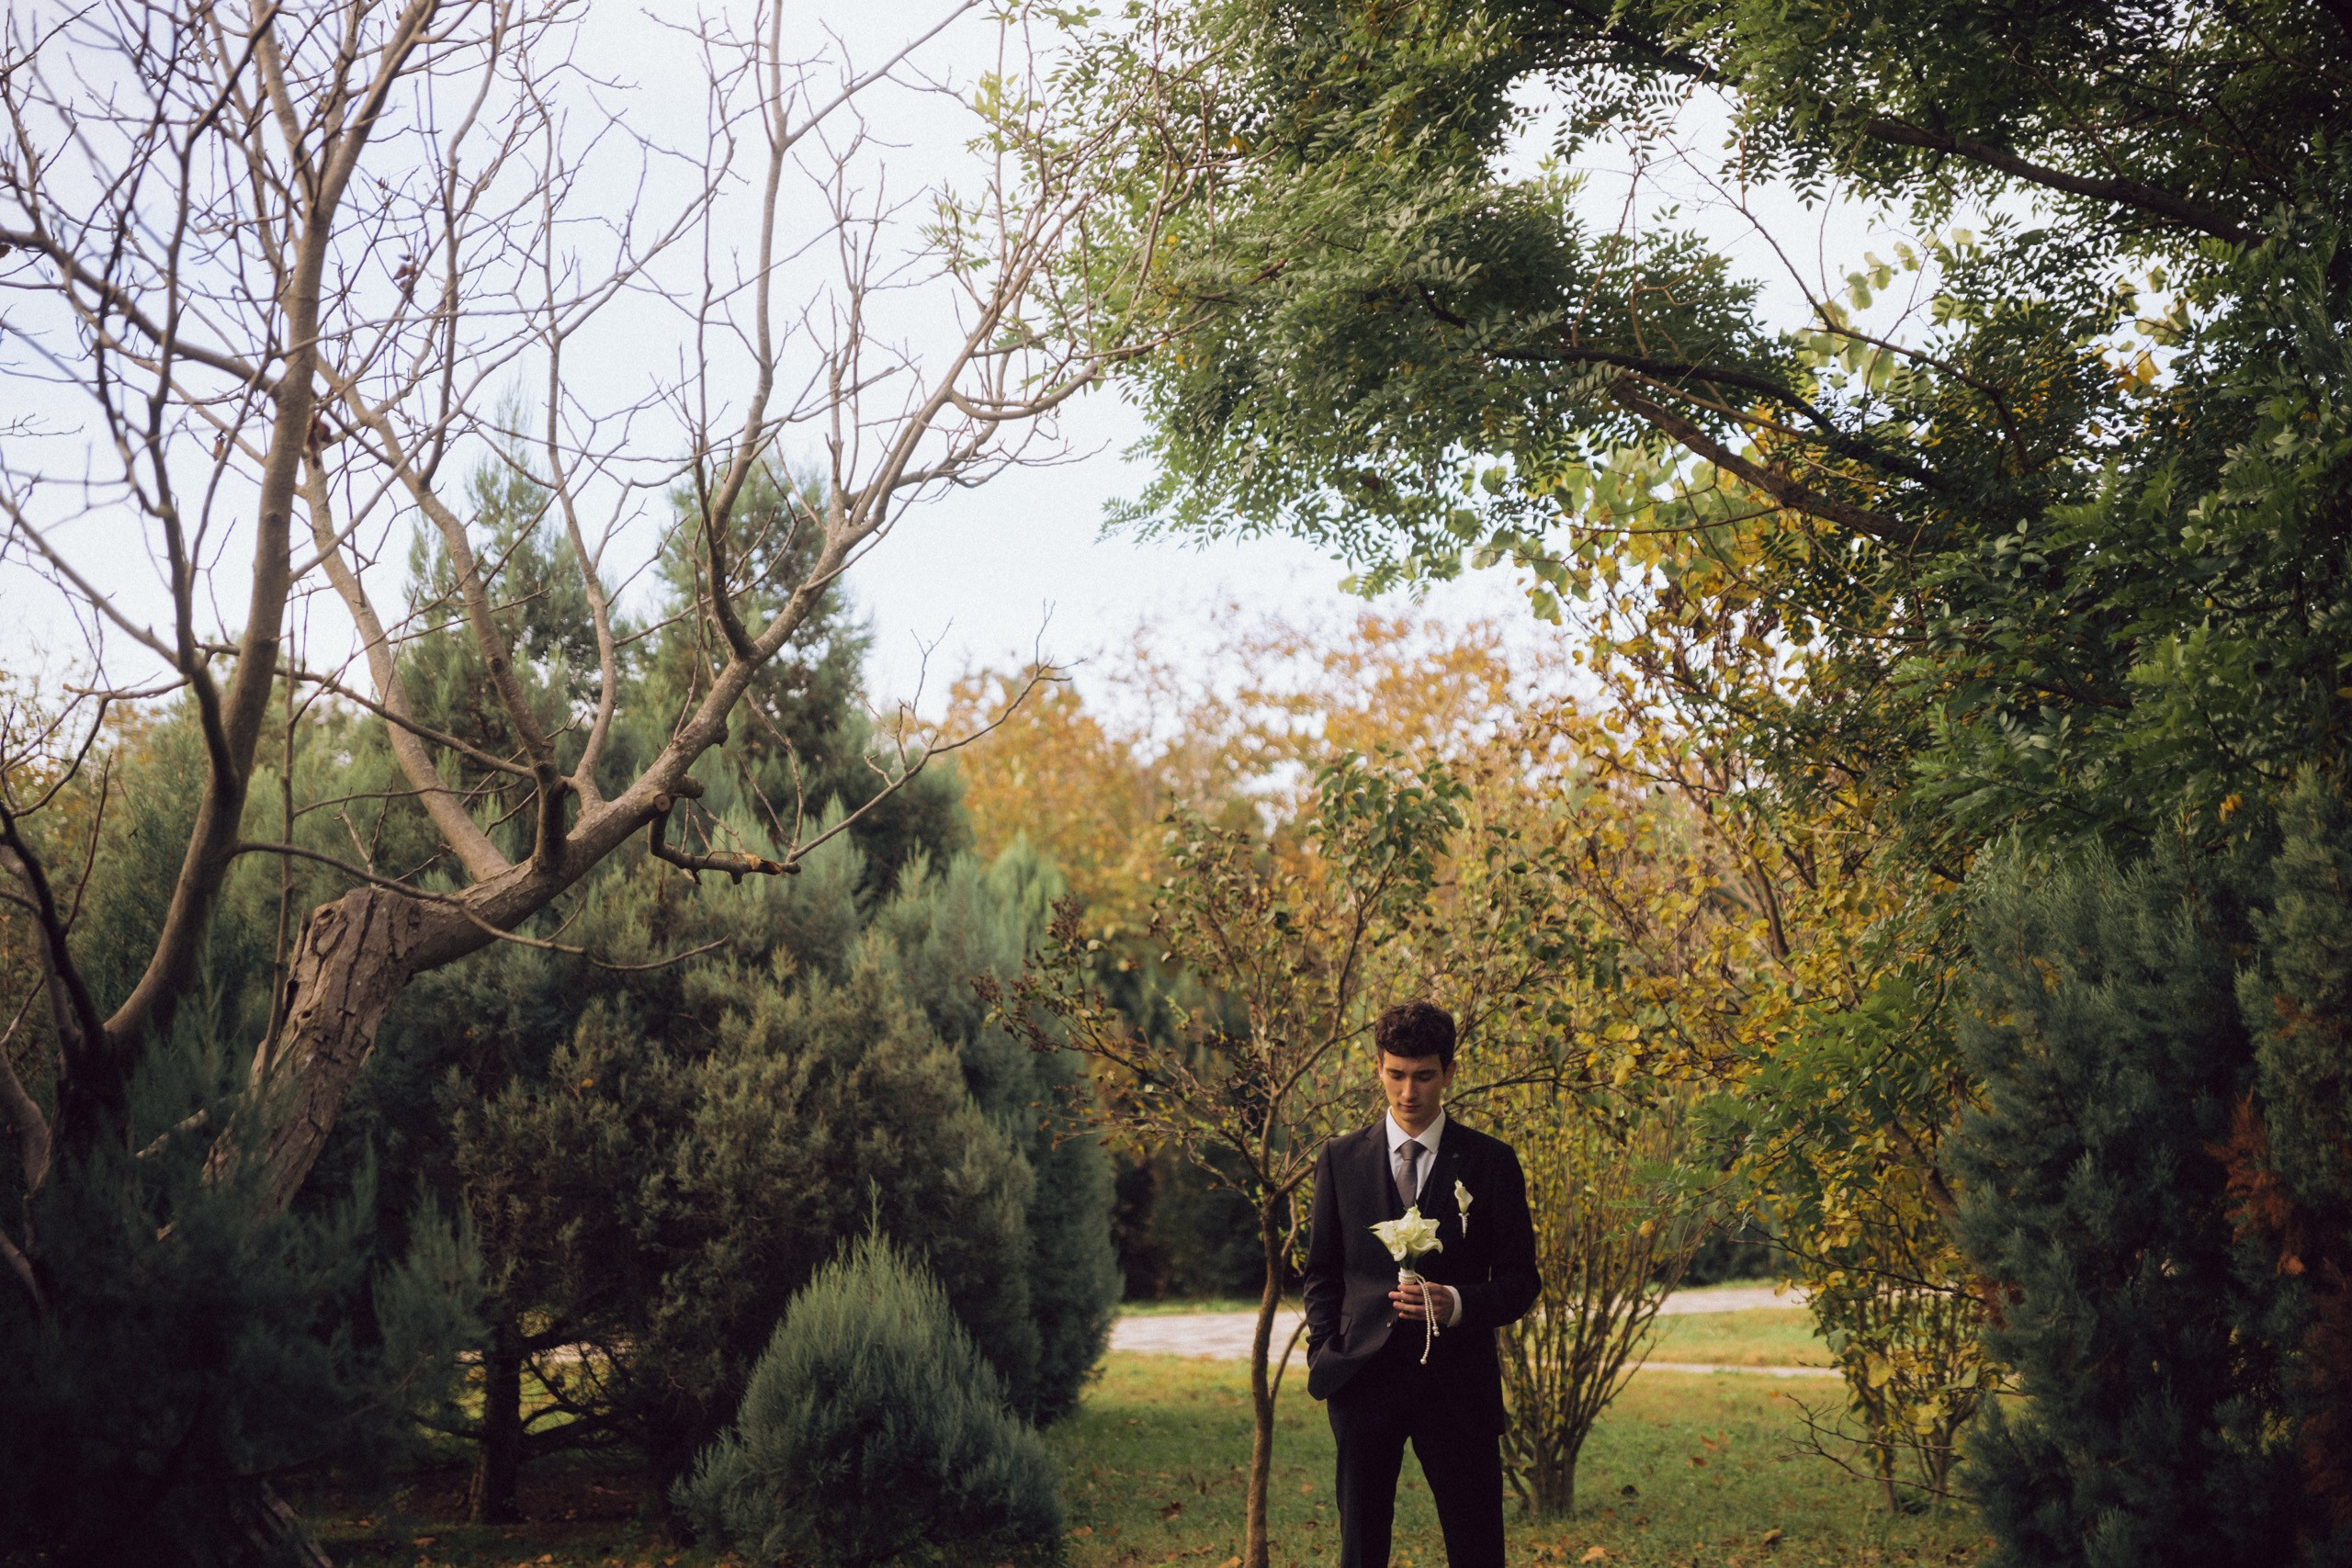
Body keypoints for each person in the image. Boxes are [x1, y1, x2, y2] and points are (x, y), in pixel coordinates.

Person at [1303, 1000, 1541, 1568]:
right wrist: (1324, 1349)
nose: (1409, 1092)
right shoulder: (1338, 1160)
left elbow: (1520, 1280)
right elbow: (1321, 1272)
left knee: (1477, 1547)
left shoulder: (1491, 1162)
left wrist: (1456, 1302)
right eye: (1396, 1074)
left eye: (1425, 1075)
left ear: (1450, 1072)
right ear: (1378, 1068)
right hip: (1362, 1382)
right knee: (1361, 1551)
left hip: (1459, 1386)